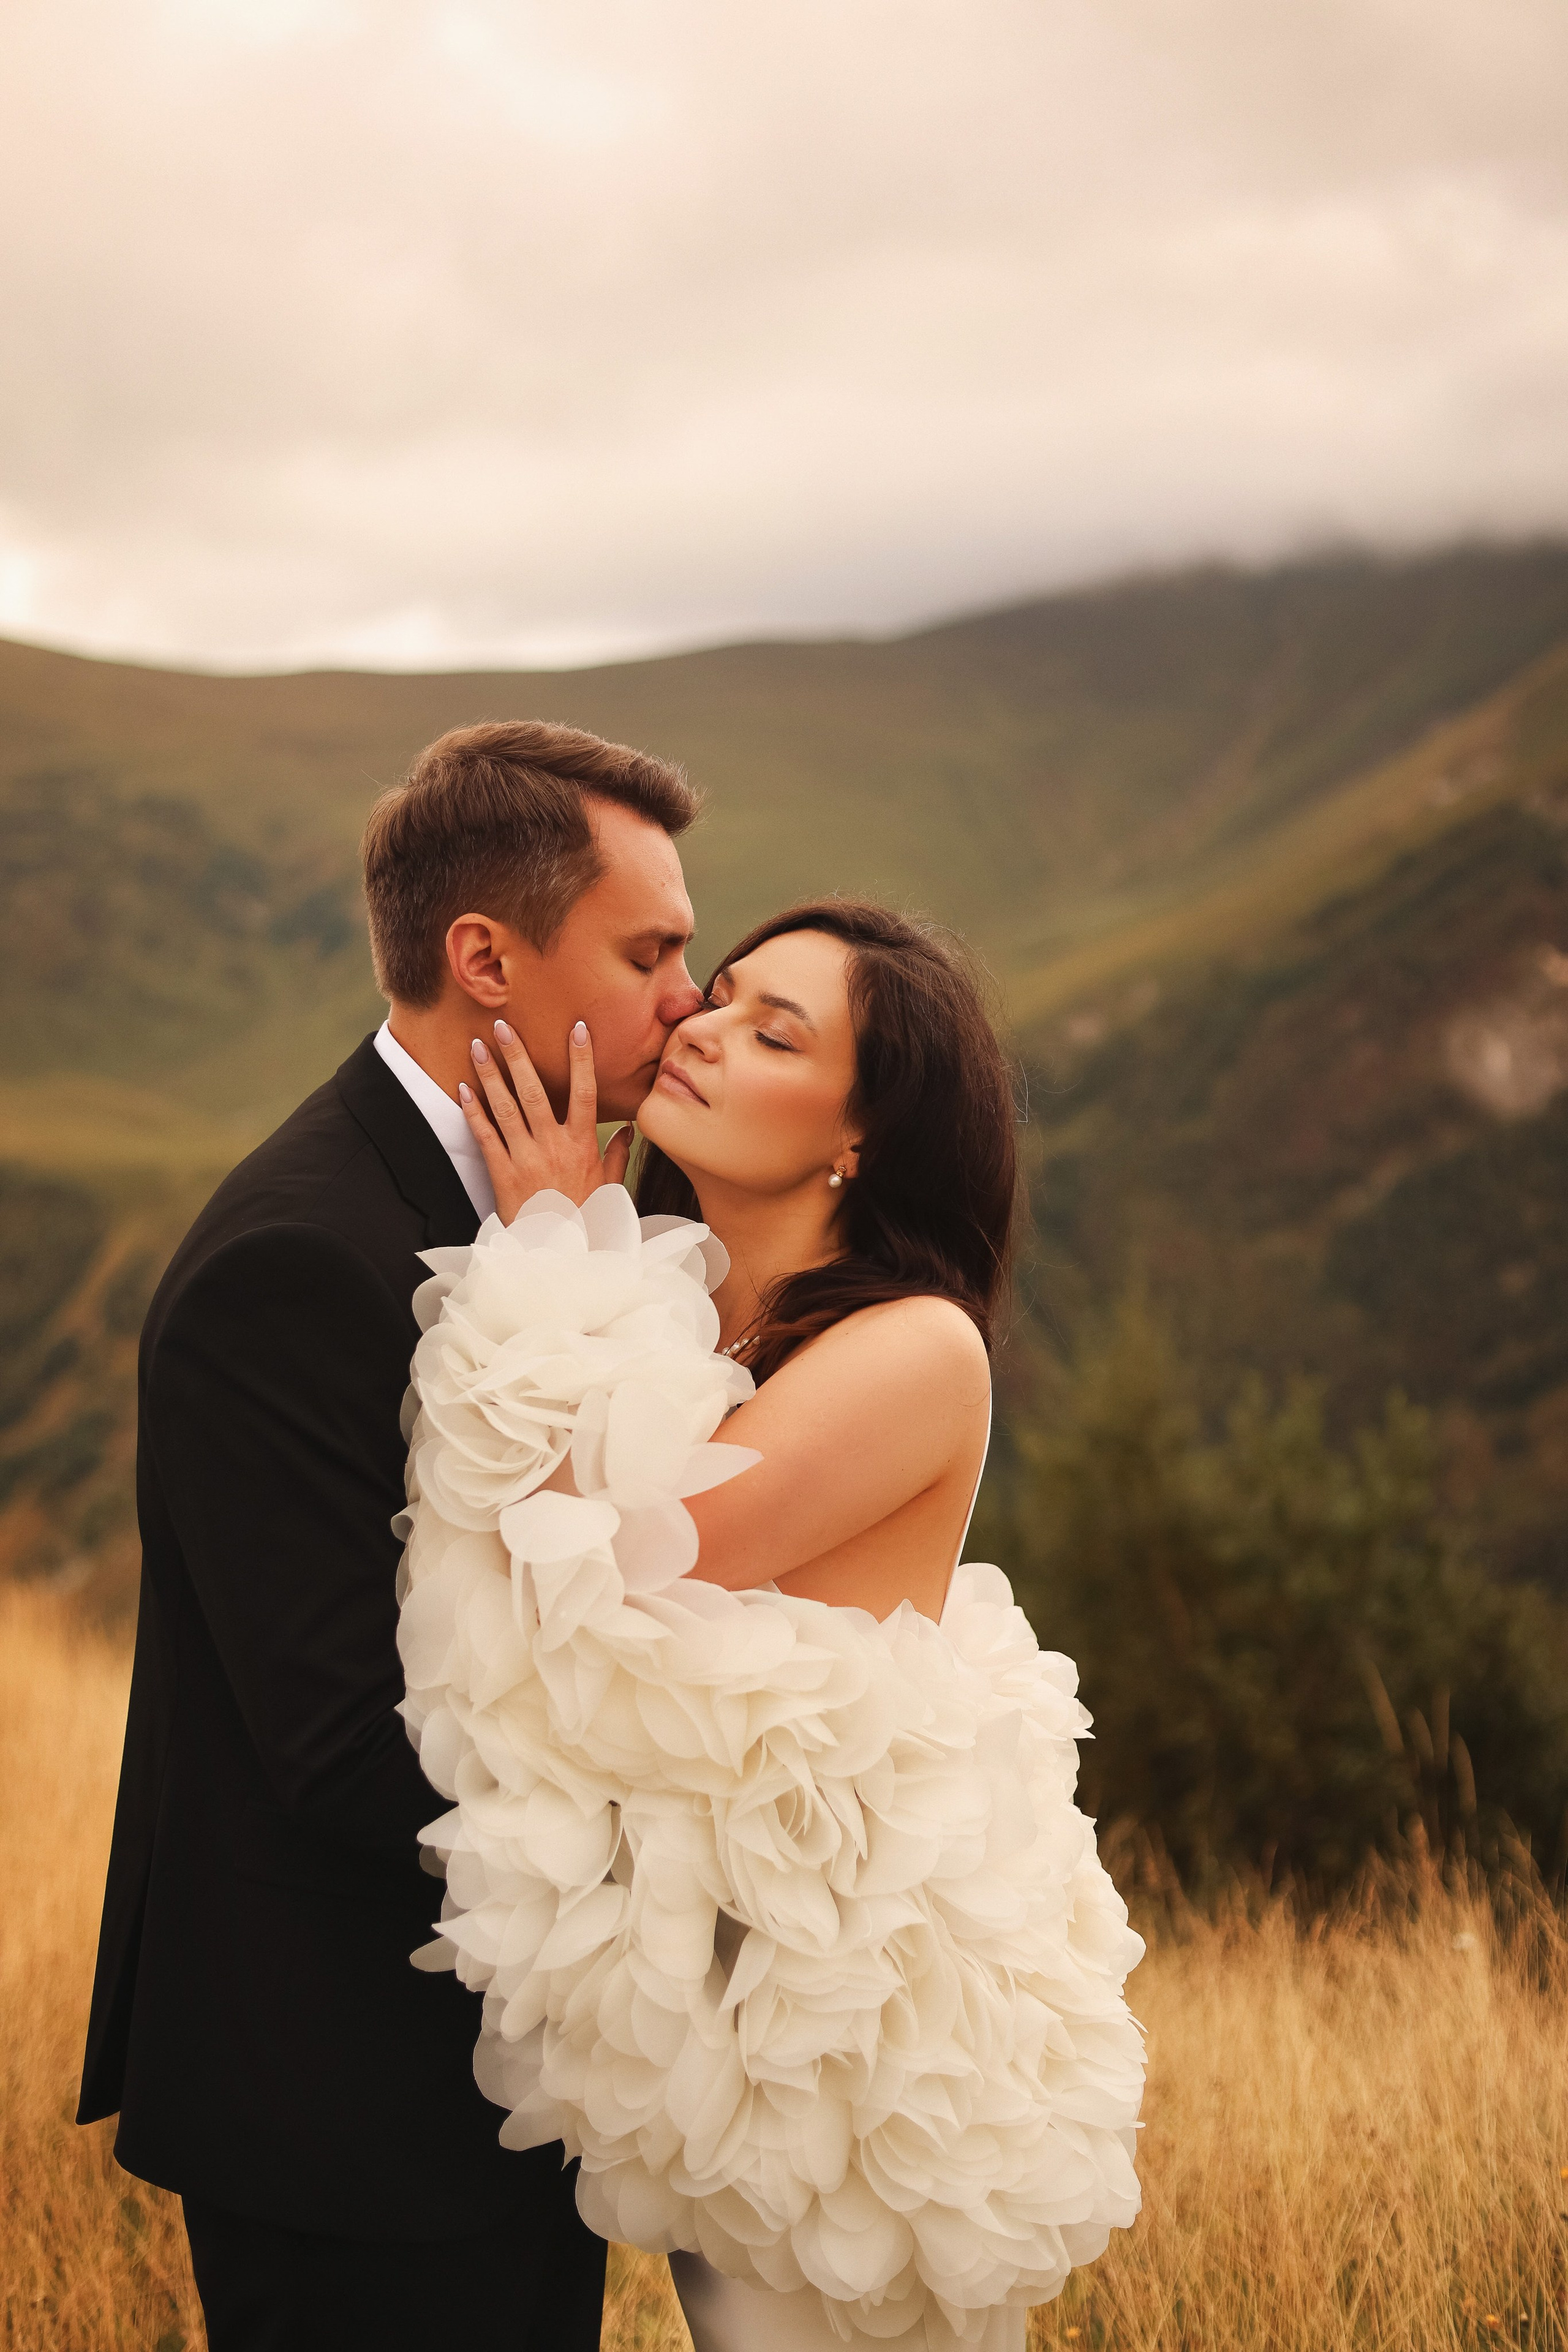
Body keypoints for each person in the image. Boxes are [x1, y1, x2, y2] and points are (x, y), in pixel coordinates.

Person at [401, 900, 1147, 2351]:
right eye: (719, 995)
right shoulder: (701, 1328)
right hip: (715, 2017)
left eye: (772, 1030)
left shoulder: (914, 1346)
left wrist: (551, 1239)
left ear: (855, 1137)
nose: (702, 1029)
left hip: (852, 2054)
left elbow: (616, 1560)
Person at [78, 718, 703, 2352]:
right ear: (484, 956)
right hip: (342, 2109)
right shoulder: (288, 1265)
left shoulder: (586, 1203)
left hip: (501, 2093)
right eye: (651, 952)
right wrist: (696, 1841)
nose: (687, 1000)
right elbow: (349, 1747)